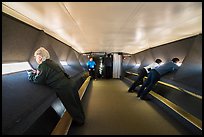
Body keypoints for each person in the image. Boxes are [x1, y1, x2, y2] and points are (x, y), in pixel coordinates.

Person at [28, 47, 85, 125]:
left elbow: (38, 80)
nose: (35, 58)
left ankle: (80, 122)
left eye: (36, 56)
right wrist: (38, 72)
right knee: (76, 103)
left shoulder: (42, 66)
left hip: (63, 87)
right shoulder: (51, 62)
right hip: (69, 82)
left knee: (71, 105)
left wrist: (30, 75)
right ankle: (82, 117)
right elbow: (48, 73)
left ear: (40, 56)